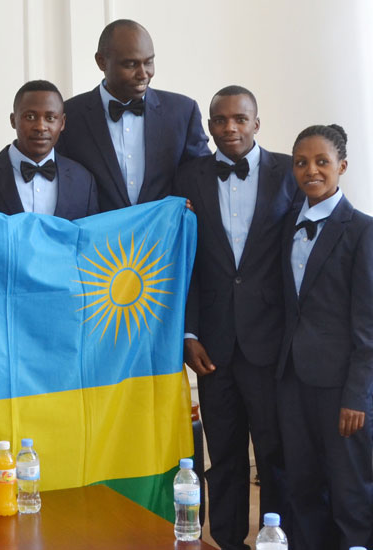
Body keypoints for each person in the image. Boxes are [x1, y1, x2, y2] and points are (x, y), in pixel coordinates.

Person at [175, 86, 298, 550]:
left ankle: (277, 537)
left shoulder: (290, 171)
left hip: (272, 342)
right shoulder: (188, 177)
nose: (230, 128)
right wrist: (188, 331)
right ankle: (227, 540)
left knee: (274, 452)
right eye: (221, 120)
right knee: (222, 453)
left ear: (257, 123)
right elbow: (184, 262)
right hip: (214, 343)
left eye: (240, 119)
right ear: (209, 127)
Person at [276, 124, 373, 550]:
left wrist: (358, 396)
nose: (310, 171)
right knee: (302, 486)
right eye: (301, 162)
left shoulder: (363, 231)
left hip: (340, 388)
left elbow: (368, 324)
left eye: (321, 162)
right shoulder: (285, 226)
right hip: (293, 381)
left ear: (342, 167)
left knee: (351, 492)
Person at [56, 19, 209, 213]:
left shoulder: (182, 111)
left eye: (149, 62)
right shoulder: (70, 116)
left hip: (165, 238)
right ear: (101, 61)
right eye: (131, 64)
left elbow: (202, 177)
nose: (143, 74)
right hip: (98, 240)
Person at [0, 80, 98, 220]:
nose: (41, 127)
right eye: (30, 117)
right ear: (13, 120)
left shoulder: (84, 181)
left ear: (62, 123)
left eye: (50, 118)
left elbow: (89, 239)